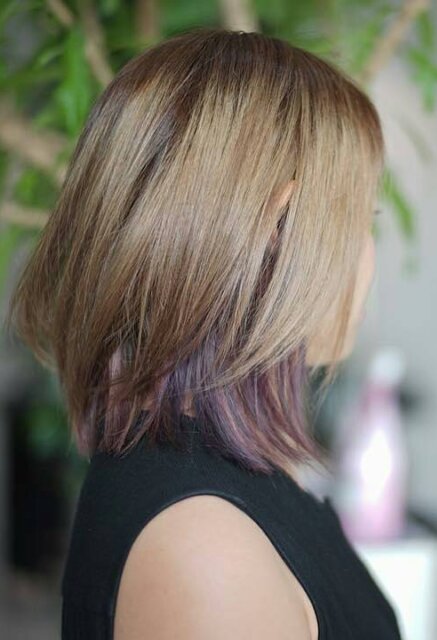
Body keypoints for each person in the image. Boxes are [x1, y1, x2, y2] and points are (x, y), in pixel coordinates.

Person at [7, 27, 401, 639]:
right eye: (360, 218)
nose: (368, 253)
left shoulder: (219, 480)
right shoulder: (207, 551)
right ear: (278, 230)